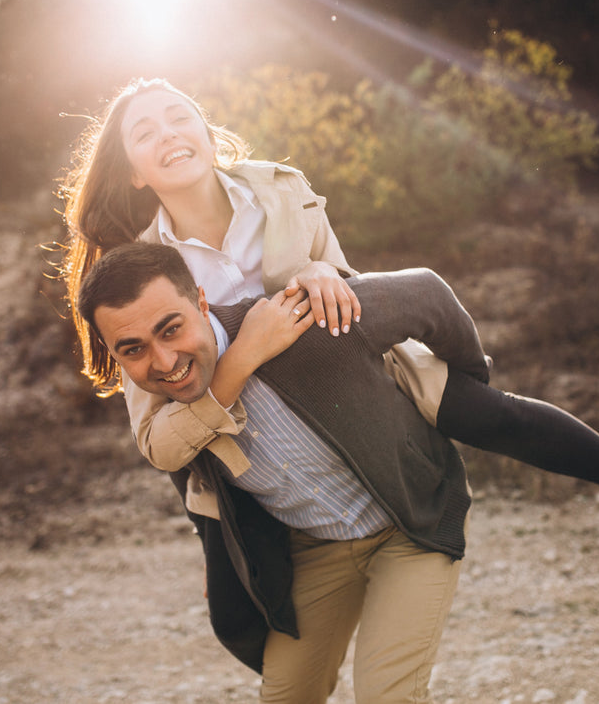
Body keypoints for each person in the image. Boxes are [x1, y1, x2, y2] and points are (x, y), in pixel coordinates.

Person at [58, 77, 599, 545]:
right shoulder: (136, 270)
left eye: (180, 116)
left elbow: (348, 288)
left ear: (206, 133)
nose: (169, 133)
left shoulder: (283, 191)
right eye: (144, 131)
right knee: (229, 554)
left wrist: (324, 270)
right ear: (134, 170)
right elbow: (157, 424)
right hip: (248, 429)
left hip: (348, 378)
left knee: (495, 413)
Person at [78, 242, 493, 701]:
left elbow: (427, 293)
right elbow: (178, 467)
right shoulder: (167, 415)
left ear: (201, 302)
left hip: (411, 520)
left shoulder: (293, 317)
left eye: (171, 329)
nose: (164, 361)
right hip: (313, 547)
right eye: (133, 349)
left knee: (385, 696)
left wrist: (471, 393)